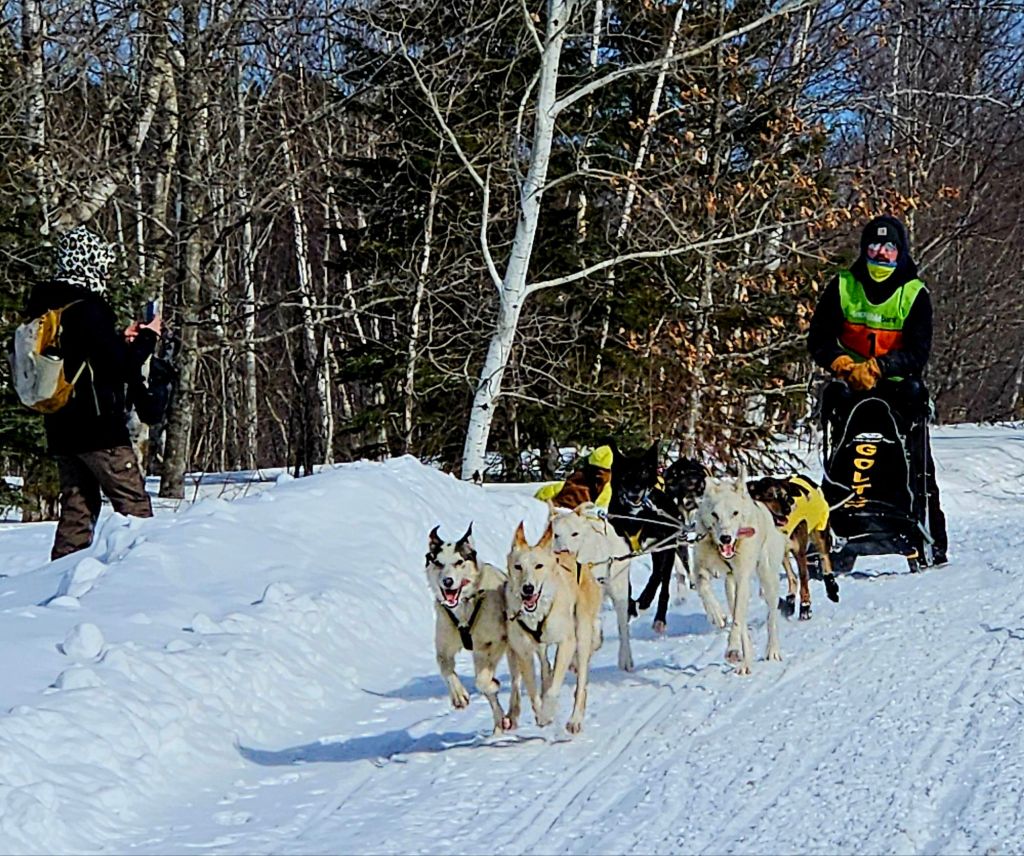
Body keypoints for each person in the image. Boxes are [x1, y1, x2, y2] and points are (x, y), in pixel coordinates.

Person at [807, 214, 948, 566]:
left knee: (918, 463)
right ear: (863, 249)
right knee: (839, 455)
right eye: (873, 246)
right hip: (852, 383)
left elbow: (918, 352)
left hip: (897, 386)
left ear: (900, 251)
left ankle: (931, 539)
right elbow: (819, 338)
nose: (881, 254)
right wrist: (845, 366)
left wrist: (878, 368)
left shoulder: (914, 293)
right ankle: (829, 531)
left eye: (889, 247)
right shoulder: (843, 286)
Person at [24, 226, 163, 560]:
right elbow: (118, 366)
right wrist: (147, 338)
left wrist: (118, 339)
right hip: (99, 428)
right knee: (134, 509)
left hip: (61, 427)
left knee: (77, 512)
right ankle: (145, 575)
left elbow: (85, 356)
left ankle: (57, 580)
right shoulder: (88, 307)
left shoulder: (49, 306)